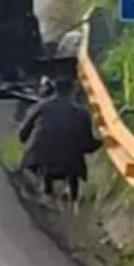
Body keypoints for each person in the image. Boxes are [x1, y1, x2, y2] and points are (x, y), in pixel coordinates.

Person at [17, 76, 102, 204]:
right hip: (71, 163)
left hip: (40, 158)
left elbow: (22, 135)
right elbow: (88, 145)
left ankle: (43, 195)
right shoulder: (81, 113)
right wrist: (102, 142)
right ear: (73, 92)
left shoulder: (40, 107)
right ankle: (73, 201)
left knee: (43, 157)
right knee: (72, 162)